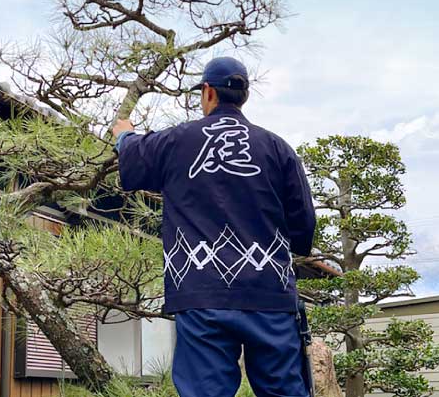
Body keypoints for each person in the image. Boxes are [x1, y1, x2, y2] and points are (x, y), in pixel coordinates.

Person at [112, 56, 317, 397]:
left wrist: (124, 136)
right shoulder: (277, 148)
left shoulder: (176, 142)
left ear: (207, 92)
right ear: (245, 97)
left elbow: (133, 162)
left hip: (200, 290)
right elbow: (303, 228)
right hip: (269, 293)